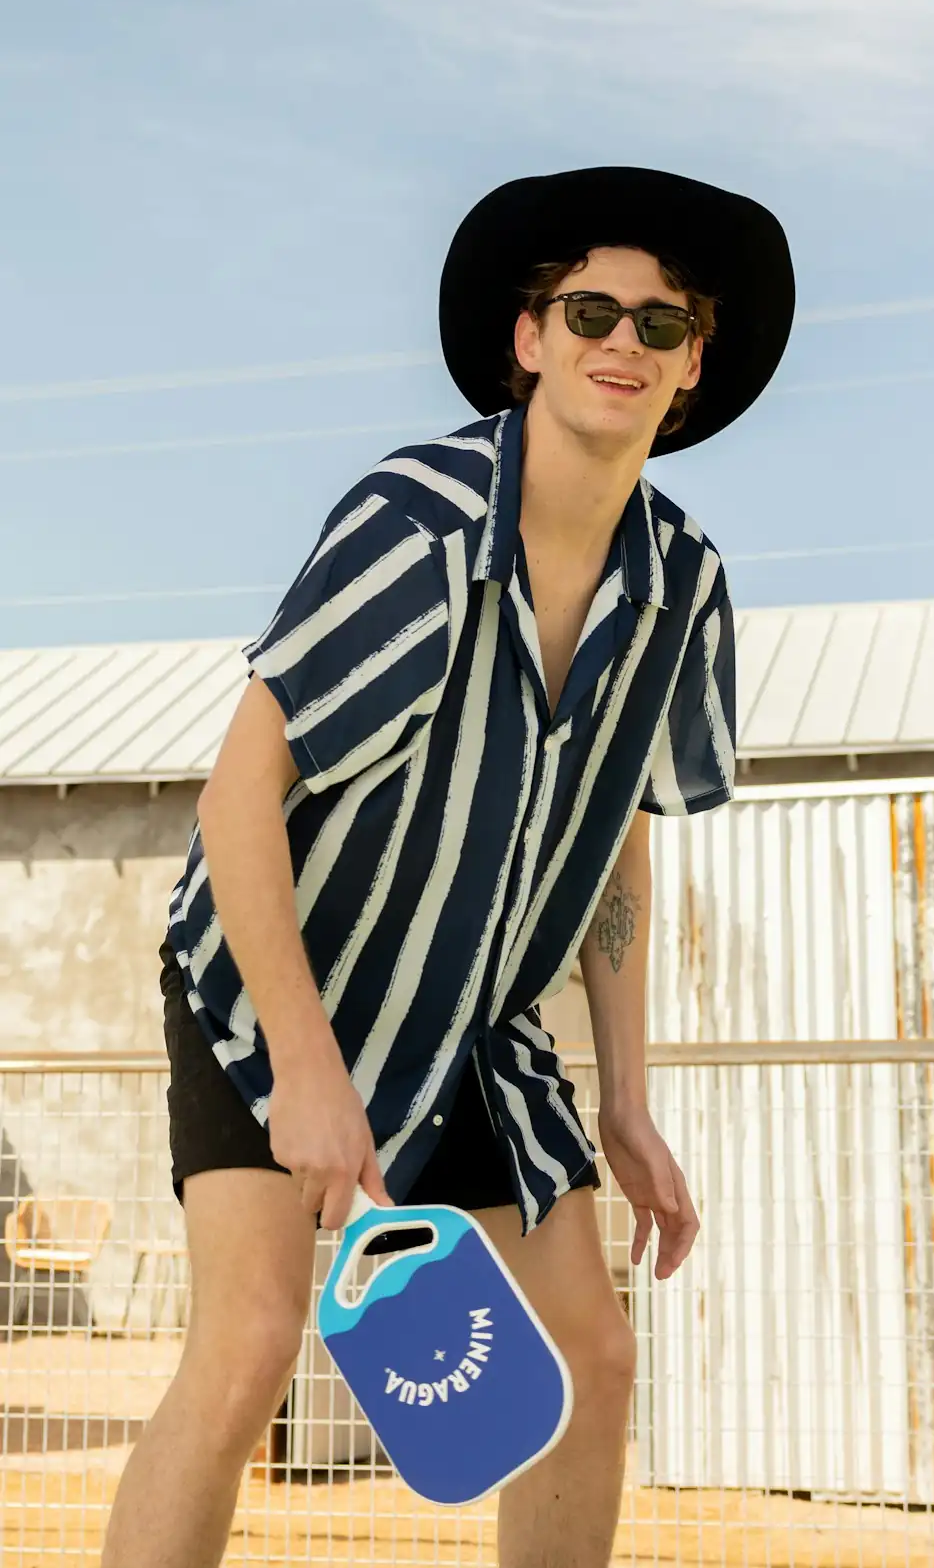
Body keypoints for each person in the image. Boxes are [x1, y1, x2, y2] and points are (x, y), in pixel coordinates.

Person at [102, 167, 794, 1568]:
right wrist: (305, 1065)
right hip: (277, 977)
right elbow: (238, 799)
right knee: (246, 1347)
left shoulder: (685, 586)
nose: (625, 339)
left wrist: (631, 1097)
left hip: (477, 1022)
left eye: (661, 324)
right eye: (591, 307)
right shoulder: (415, 520)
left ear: (693, 367)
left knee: (591, 1356)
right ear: (529, 337)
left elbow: (616, 852)